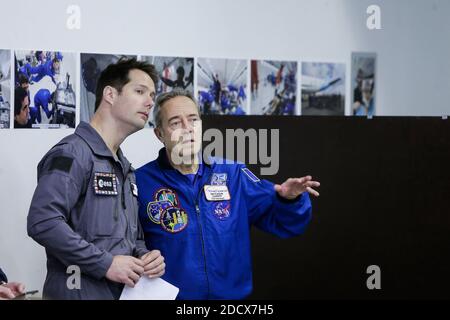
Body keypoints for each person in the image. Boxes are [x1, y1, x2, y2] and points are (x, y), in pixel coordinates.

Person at [136, 88, 320, 299]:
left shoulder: (233, 174)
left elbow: (288, 224)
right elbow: (124, 243)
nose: (187, 129)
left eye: (193, 119)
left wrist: (288, 200)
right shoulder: (141, 182)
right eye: (175, 122)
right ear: (159, 134)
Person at [27, 58, 165, 300]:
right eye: (140, 91)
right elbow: (43, 221)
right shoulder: (72, 152)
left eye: (152, 95)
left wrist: (145, 257)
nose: (149, 101)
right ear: (110, 94)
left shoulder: (125, 168)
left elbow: (130, 237)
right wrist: (106, 264)